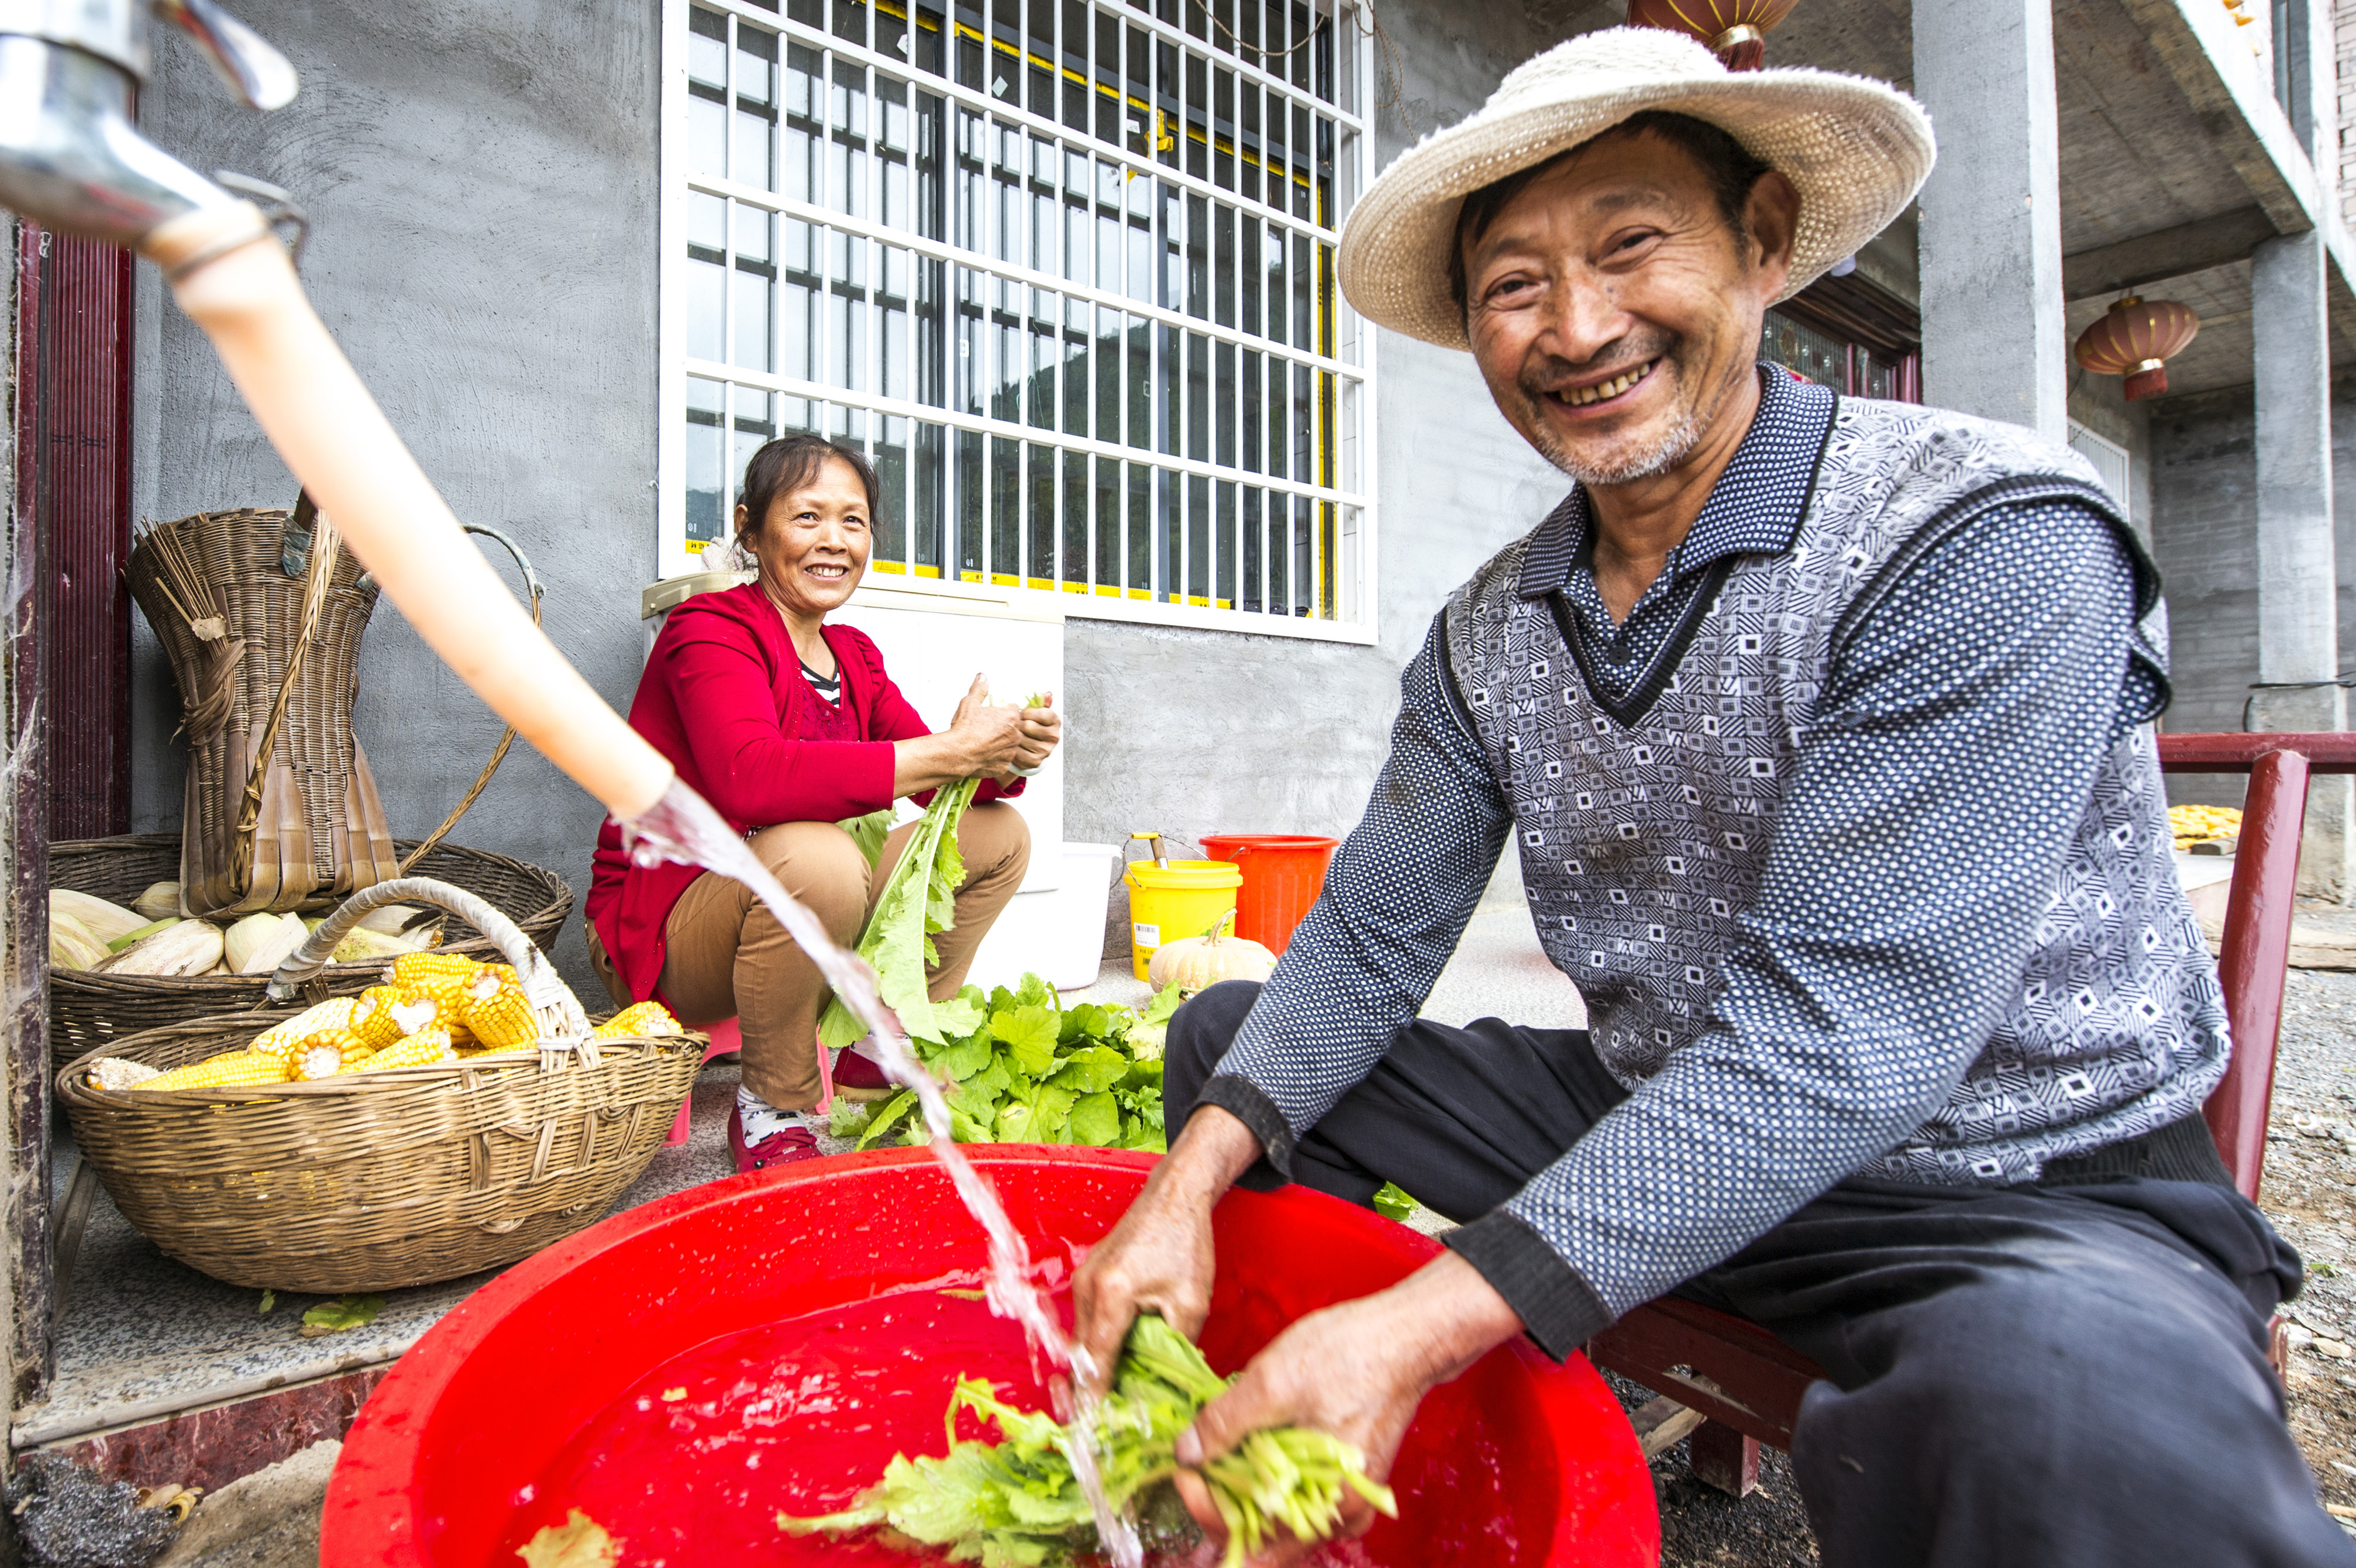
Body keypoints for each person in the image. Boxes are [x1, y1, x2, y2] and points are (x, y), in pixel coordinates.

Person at [1070, 27, 2353, 1567]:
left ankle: (1388, 1377)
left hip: (2005, 1189)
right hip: (1661, 1107)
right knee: (1234, 1061)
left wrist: (1423, 1314)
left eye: (1629, 246)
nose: (1576, 326)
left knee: (2065, 1430)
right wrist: (1182, 1188)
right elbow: (1366, 932)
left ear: (1756, 247)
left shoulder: (1973, 530)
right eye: (1513, 286)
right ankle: (1297, 1472)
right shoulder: (1493, 626)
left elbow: (1841, 1040)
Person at [586, 435, 1060, 1171]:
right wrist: (952, 749)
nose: (833, 541)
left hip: (793, 897)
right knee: (820, 855)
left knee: (996, 833)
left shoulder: (854, 656)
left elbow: (940, 781)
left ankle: (878, 1047)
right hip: (668, 926)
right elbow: (753, 777)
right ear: (750, 527)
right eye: (807, 518)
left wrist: (1001, 754)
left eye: (854, 520)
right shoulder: (706, 631)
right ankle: (772, 1107)